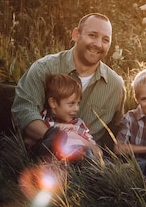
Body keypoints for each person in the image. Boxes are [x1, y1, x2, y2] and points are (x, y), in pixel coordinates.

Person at [12, 13, 126, 156]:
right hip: (42, 154)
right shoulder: (44, 68)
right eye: (92, 35)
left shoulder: (115, 86)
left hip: (87, 163)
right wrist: (63, 140)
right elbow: (24, 111)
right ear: (76, 35)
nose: (98, 44)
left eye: (105, 40)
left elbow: (115, 135)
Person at [40, 73, 103, 162]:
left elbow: (97, 151)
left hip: (80, 159)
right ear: (53, 103)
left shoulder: (78, 124)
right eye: (71, 104)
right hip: (54, 160)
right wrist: (58, 129)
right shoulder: (43, 120)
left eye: (78, 103)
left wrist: (76, 137)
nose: (77, 109)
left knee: (88, 153)